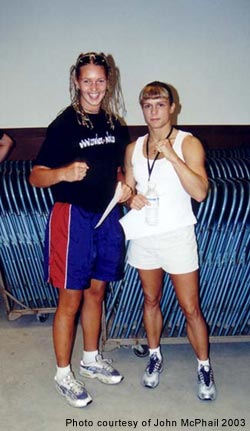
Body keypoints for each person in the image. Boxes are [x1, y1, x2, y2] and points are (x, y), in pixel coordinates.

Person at [29, 52, 131, 408]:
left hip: (106, 215)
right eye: (87, 80)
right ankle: (62, 374)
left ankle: (90, 359)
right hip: (72, 217)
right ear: (76, 81)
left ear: (109, 82)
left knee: (97, 291)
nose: (94, 88)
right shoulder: (64, 125)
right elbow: (36, 175)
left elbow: (117, 170)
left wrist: (125, 187)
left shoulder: (116, 126)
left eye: (100, 81)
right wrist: (63, 172)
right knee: (70, 297)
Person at [120, 81, 217, 401]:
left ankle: (204, 365)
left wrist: (172, 157)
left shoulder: (189, 143)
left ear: (173, 107)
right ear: (143, 110)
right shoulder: (134, 147)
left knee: (191, 308)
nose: (154, 112)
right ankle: (154, 355)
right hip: (144, 235)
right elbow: (128, 189)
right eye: (148, 106)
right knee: (150, 300)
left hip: (177, 235)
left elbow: (200, 192)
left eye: (160, 105)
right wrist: (128, 197)